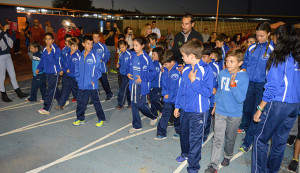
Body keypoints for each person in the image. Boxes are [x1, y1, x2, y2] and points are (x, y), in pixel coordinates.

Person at [251, 24, 300, 173]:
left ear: (278, 38)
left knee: (260, 139)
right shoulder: (297, 57)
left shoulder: (280, 58)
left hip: (279, 104)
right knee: (279, 142)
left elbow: (272, 87)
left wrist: (260, 108)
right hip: (294, 105)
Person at [204, 49, 249, 173]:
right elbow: (219, 91)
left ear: (240, 63)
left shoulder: (244, 77)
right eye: (227, 61)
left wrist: (233, 86)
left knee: (230, 138)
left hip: (234, 114)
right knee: (217, 138)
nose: (228, 64)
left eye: (231, 61)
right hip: (220, 111)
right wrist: (215, 104)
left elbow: (241, 99)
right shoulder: (222, 73)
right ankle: (213, 165)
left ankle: (228, 155)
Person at [174, 40, 213, 172]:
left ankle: (193, 167)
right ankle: (185, 154)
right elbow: (181, 89)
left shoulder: (206, 69)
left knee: (195, 140)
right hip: (185, 110)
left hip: (198, 112)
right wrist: (177, 106)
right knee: (184, 135)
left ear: (191, 56)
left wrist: (194, 80)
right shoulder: (185, 69)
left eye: (183, 56)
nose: (182, 58)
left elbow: (208, 92)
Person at [239, 22, 275, 153]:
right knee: (247, 111)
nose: (259, 38)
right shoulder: (252, 47)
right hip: (249, 84)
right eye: (257, 35)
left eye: (262, 36)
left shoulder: (272, 49)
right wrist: (243, 70)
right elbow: (246, 62)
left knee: (256, 113)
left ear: (269, 34)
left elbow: (273, 70)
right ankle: (249, 134)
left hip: (262, 86)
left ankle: (248, 141)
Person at [73, 35, 106, 127]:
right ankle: (80, 118)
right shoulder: (79, 56)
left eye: (91, 44)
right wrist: (78, 79)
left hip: (92, 84)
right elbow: (77, 69)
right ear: (83, 44)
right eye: (88, 44)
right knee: (81, 102)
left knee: (96, 102)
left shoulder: (95, 56)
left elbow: (99, 70)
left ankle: (102, 119)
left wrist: (93, 79)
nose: (90, 45)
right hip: (82, 84)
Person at [126, 36, 158, 133]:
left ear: (142, 46)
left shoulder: (146, 58)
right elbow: (128, 67)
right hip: (133, 84)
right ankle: (137, 125)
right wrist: (128, 73)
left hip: (142, 85)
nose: (134, 47)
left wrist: (143, 78)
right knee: (134, 104)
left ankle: (153, 116)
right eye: (134, 45)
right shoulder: (132, 55)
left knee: (140, 105)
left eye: (137, 45)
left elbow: (153, 72)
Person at [155, 50, 181, 140]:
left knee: (177, 116)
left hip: (177, 99)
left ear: (172, 62)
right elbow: (163, 83)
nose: (163, 66)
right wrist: (164, 93)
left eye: (165, 64)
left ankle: (179, 131)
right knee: (165, 114)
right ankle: (161, 132)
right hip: (168, 98)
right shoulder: (165, 70)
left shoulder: (179, 70)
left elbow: (182, 85)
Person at [0, 23, 29, 102]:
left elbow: (13, 39)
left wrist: (12, 31)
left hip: (8, 55)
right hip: (1, 57)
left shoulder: (3, 33)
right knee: (2, 77)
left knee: (13, 74)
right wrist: (3, 31)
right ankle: (3, 95)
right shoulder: (2, 32)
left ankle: (18, 92)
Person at [36, 33, 62, 115]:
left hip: (54, 72)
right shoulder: (44, 49)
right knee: (53, 88)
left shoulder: (56, 49)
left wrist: (49, 53)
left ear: (53, 40)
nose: (48, 41)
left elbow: (56, 62)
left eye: (49, 39)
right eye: (46, 39)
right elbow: (43, 60)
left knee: (50, 90)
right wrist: (39, 68)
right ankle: (62, 100)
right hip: (47, 72)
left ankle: (46, 108)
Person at [201, 44, 220, 143]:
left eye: (204, 57)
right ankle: (199, 134)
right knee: (201, 117)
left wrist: (215, 88)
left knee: (207, 117)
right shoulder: (199, 65)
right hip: (201, 96)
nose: (202, 59)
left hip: (211, 98)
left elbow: (219, 81)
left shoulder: (216, 67)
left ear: (210, 56)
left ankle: (204, 135)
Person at [92, 31, 113, 101]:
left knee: (104, 82)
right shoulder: (90, 46)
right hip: (93, 69)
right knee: (94, 83)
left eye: (97, 37)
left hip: (102, 69)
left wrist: (103, 60)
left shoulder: (103, 46)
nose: (96, 39)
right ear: (92, 38)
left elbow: (108, 54)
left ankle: (109, 93)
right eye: (94, 37)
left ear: (100, 38)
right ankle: (96, 95)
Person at [115, 40, 131, 110]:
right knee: (127, 90)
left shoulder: (130, 54)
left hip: (128, 75)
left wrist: (130, 73)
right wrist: (118, 64)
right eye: (120, 48)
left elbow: (132, 64)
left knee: (122, 89)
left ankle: (120, 104)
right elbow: (119, 62)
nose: (121, 49)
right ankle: (130, 103)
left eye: (123, 47)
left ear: (126, 46)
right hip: (122, 74)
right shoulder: (120, 54)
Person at [149, 47, 164, 117]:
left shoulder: (162, 64)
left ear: (159, 55)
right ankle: (154, 114)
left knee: (156, 100)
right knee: (152, 100)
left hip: (159, 86)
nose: (152, 56)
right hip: (151, 86)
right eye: (152, 54)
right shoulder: (151, 63)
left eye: (154, 54)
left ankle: (163, 110)